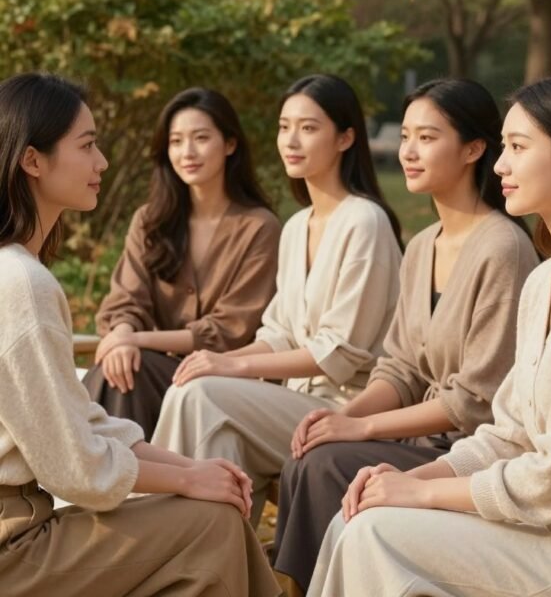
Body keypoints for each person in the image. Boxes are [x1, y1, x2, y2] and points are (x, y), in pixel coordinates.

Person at [0, 72, 280, 597]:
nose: (102, 162)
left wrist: (192, 467)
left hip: (22, 527)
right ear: (33, 161)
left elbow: (81, 422)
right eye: (87, 146)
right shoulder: (19, 282)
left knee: (208, 514)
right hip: (12, 550)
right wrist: (189, 480)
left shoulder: (18, 273)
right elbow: (76, 468)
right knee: (211, 522)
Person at [308, 74, 551, 597]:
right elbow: (509, 434)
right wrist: (421, 476)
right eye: (504, 147)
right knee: (358, 519)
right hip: (536, 523)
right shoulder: (544, 281)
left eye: (519, 148)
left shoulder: (521, 258)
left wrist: (423, 493)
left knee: (375, 532)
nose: (501, 165)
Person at [151, 73, 403, 524]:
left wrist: (230, 364)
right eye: (284, 127)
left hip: (344, 411)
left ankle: (154, 536)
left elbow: (339, 353)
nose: (291, 140)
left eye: (308, 128)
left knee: (203, 395)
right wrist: (217, 363)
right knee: (211, 429)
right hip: (291, 408)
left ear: (346, 137)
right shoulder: (295, 226)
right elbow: (280, 333)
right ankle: (217, 569)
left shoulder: (365, 222)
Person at [83, 87, 280, 439]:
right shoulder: (150, 221)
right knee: (121, 368)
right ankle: (114, 482)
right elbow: (127, 300)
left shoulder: (259, 228)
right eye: (176, 141)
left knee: (128, 370)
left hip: (224, 381)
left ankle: (104, 484)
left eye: (201, 138)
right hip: (152, 376)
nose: (187, 152)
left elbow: (229, 330)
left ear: (230, 144)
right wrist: (124, 333)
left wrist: (135, 340)